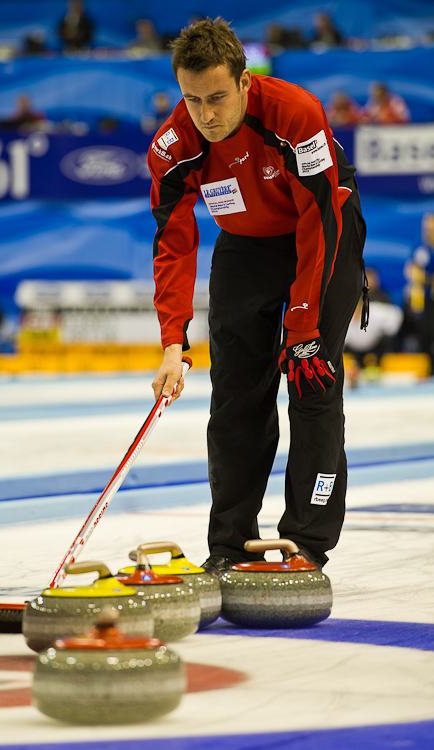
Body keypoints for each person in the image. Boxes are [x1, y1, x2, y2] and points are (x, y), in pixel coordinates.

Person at [148, 17, 367, 575]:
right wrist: (173, 342)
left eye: (218, 97)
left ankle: (308, 541)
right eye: (192, 100)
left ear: (246, 82)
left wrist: (303, 330)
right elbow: (173, 246)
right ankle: (227, 543)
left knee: (311, 378)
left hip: (320, 234)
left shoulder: (296, 114)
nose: (207, 114)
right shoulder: (174, 147)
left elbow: (321, 220)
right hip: (246, 245)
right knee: (235, 397)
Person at [344, 268, 403, 386]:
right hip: (355, 347)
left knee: (386, 341)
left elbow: (396, 314)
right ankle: (354, 370)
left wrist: (388, 331)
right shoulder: (346, 317)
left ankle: (378, 366)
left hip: (374, 343)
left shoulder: (375, 310)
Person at [404, 213, 434, 375]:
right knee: (422, 332)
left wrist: (433, 279)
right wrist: (419, 277)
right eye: (427, 226)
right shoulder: (418, 244)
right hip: (420, 297)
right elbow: (410, 268)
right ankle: (425, 367)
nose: (430, 229)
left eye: (433, 226)